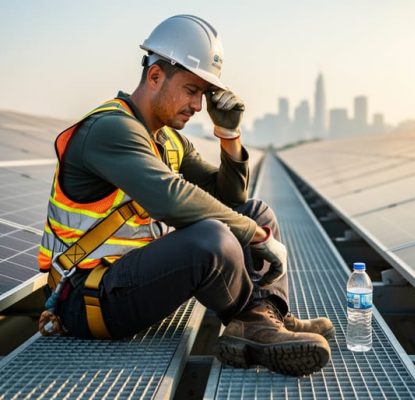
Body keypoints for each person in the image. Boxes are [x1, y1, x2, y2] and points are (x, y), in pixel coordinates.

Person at [37, 15, 334, 377]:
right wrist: (255, 237)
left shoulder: (169, 139)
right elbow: (172, 199)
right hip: (86, 300)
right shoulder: (110, 128)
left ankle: (264, 318)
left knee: (256, 211)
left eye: (203, 95)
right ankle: (255, 324)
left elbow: (231, 195)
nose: (198, 106)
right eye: (192, 91)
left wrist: (229, 134)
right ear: (155, 76)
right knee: (213, 238)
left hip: (130, 282)